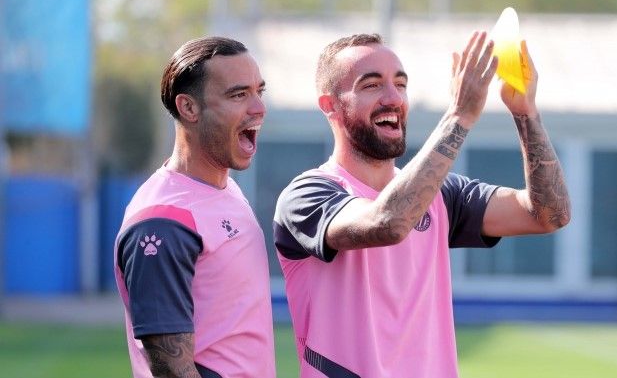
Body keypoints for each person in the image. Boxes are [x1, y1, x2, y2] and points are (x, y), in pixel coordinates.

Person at [273, 31, 570, 377]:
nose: (392, 97)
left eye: (400, 84)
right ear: (330, 105)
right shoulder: (308, 194)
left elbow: (549, 214)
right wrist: (459, 115)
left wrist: (525, 112)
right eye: (371, 85)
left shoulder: (442, 194)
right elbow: (388, 222)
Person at [114, 36, 275, 378]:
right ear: (189, 108)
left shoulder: (224, 187)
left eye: (259, 91)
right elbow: (172, 371)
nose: (259, 107)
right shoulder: (162, 222)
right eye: (238, 94)